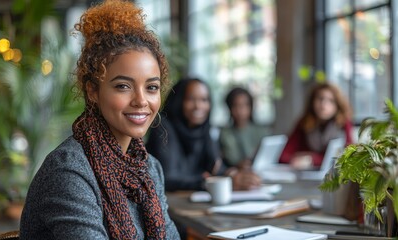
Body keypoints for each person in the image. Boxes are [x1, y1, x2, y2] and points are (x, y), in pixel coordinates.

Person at [19, 1, 179, 239]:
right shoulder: (70, 171)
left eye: (152, 87)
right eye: (123, 86)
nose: (141, 100)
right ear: (93, 90)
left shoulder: (149, 169)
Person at [145, 78, 261, 192]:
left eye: (204, 100)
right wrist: (207, 182)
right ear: (179, 101)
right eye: (190, 99)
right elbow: (168, 178)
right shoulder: (163, 127)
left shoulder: (204, 128)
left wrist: (234, 175)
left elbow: (215, 166)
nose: (198, 106)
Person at [279, 82, 353, 170]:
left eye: (331, 101)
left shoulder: (343, 123)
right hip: (306, 177)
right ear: (312, 101)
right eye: (320, 99)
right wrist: (296, 160)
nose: (323, 105)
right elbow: (284, 155)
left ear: (337, 105)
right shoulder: (304, 122)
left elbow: (348, 157)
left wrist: (311, 159)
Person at [219, 87, 270, 168]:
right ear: (229, 108)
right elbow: (231, 158)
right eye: (236, 106)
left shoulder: (261, 131)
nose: (240, 110)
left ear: (251, 107)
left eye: (244, 105)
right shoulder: (225, 133)